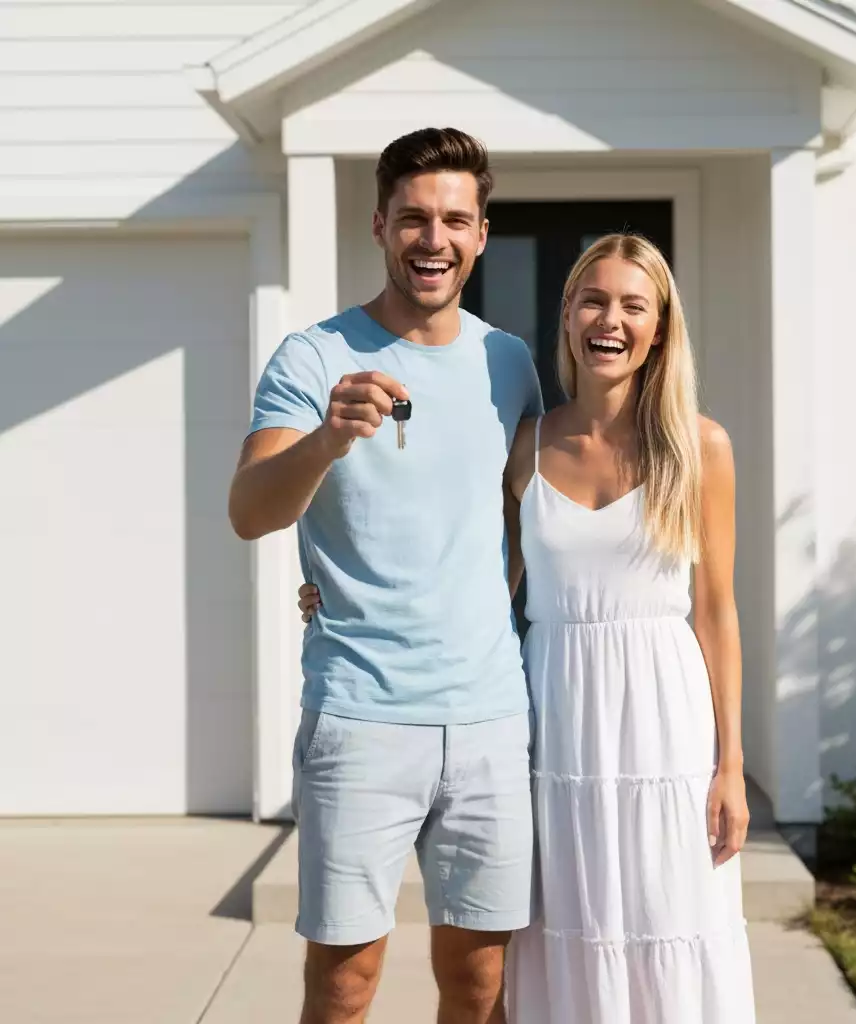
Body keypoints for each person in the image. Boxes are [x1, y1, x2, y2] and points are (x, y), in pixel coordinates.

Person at [299, 233, 756, 1021]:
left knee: (668, 919)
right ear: (569, 317)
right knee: (554, 931)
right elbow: (465, 567)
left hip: (663, 726)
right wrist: (337, 592)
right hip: (554, 717)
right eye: (593, 300)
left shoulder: (700, 448)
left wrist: (731, 764)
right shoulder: (528, 447)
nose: (609, 320)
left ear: (659, 329)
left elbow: (717, 611)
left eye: (632, 306)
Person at [229, 127, 542, 1024]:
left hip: (490, 718)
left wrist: (486, 597)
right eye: (413, 218)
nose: (432, 238)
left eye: (453, 219)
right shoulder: (313, 357)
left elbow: (528, 511)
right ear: (380, 226)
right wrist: (328, 441)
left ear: (482, 232)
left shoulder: (509, 362)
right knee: (346, 981)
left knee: (482, 982)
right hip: (360, 719)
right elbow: (252, 510)